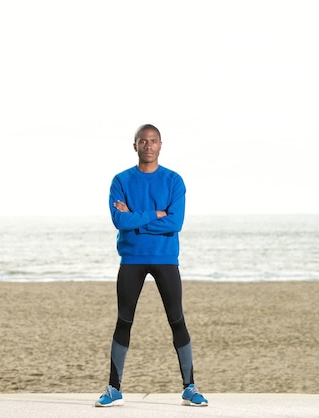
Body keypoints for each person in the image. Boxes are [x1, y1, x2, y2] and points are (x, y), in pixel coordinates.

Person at [95, 124, 208, 407]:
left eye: (153, 141)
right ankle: (113, 388)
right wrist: (154, 215)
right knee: (124, 321)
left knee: (176, 320)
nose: (148, 145)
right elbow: (120, 221)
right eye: (143, 141)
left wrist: (136, 218)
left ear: (160, 145)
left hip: (165, 259)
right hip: (131, 260)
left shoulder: (173, 181)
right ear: (135, 146)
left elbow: (175, 222)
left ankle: (190, 387)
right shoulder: (120, 181)